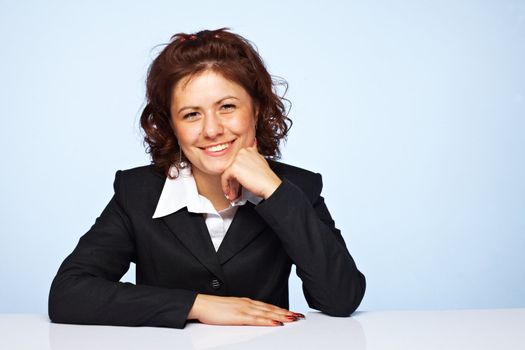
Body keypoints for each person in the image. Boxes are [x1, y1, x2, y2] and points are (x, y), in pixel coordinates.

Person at [48, 28, 366, 329]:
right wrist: (197, 305)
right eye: (191, 114)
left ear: (256, 109)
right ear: (171, 125)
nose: (212, 129)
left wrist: (273, 190)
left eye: (227, 107)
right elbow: (68, 294)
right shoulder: (138, 192)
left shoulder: (297, 188)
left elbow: (341, 298)